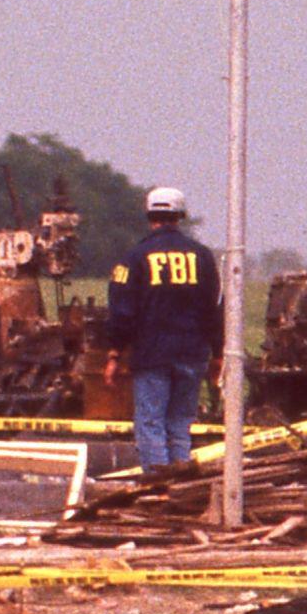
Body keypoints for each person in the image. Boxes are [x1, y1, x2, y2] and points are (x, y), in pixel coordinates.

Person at [101, 185, 223, 476]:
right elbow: (215, 309)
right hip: (193, 355)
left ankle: (159, 487)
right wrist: (217, 354)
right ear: (180, 216)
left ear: (149, 215)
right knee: (180, 424)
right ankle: (182, 486)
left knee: (151, 422)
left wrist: (114, 353)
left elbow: (122, 311)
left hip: (152, 355)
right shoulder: (203, 257)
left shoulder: (134, 258)